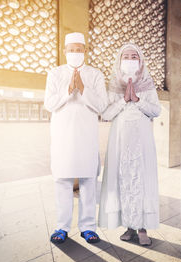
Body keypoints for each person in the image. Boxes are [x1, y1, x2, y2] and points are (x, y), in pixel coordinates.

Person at [44, 32, 108, 244]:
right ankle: (61, 227)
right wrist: (68, 89)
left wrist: (83, 89)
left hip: (86, 135)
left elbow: (102, 106)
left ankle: (88, 228)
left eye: (78, 49)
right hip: (62, 136)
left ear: (85, 51)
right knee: (62, 180)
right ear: (64, 51)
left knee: (89, 180)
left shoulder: (95, 74)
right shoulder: (55, 73)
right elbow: (49, 104)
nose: (74, 53)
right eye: (71, 50)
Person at [98, 43, 161, 246]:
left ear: (141, 60)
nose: (131, 59)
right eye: (127, 56)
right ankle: (129, 226)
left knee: (141, 177)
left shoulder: (147, 82)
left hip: (142, 138)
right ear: (119, 59)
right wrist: (124, 100)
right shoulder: (114, 83)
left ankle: (142, 228)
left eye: (135, 56)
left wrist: (138, 99)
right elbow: (106, 115)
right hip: (120, 138)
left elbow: (156, 110)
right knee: (123, 178)